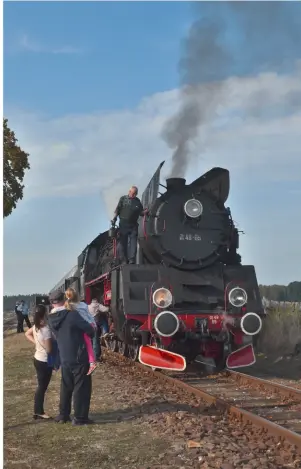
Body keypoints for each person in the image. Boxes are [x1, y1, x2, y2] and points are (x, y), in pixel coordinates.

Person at [47, 289, 95, 426]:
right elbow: (89, 330)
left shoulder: (50, 318)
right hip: (79, 355)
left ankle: (63, 414)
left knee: (66, 385)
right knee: (82, 387)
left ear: (52, 303)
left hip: (64, 356)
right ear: (64, 299)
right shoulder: (72, 315)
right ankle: (80, 418)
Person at [25, 305, 53, 420]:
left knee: (41, 386)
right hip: (44, 361)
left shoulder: (36, 326)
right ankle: (38, 411)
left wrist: (36, 343)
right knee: (42, 387)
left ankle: (38, 410)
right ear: (45, 314)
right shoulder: (45, 329)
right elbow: (49, 350)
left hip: (37, 358)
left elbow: (27, 334)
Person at [64, 288, 98, 375]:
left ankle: (92, 362)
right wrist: (94, 324)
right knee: (89, 343)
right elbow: (89, 315)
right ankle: (91, 360)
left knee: (87, 343)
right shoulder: (83, 304)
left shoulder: (69, 306)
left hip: (83, 326)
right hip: (90, 324)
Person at [112, 185, 148, 264]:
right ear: (129, 192)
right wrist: (114, 218)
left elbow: (141, 212)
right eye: (133, 193)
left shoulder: (137, 201)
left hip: (133, 225)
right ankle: (124, 259)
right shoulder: (123, 199)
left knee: (133, 242)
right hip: (123, 224)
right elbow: (117, 209)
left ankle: (132, 259)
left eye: (135, 193)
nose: (134, 195)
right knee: (123, 242)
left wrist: (145, 212)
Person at [88, 298, 110, 362]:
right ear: (96, 301)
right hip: (98, 320)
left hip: (91, 323)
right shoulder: (98, 305)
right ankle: (105, 332)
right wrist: (108, 307)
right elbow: (106, 309)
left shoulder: (88, 306)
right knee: (104, 322)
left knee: (94, 340)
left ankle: (95, 356)